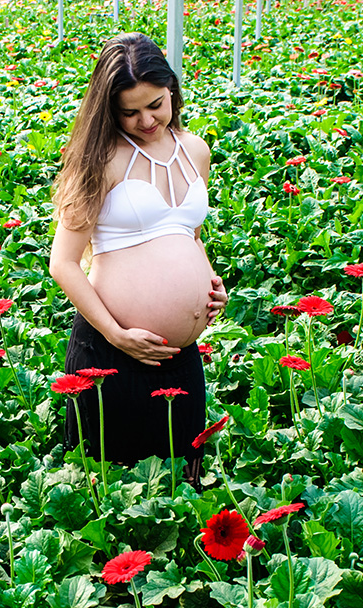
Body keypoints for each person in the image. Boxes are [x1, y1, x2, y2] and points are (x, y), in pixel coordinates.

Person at [49, 33, 227, 488]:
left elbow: (188, 234)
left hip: (179, 355)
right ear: (108, 109)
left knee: (183, 483)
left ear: (173, 90)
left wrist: (209, 280)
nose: (146, 119)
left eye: (156, 104)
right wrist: (118, 334)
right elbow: (64, 263)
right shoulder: (99, 159)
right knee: (112, 488)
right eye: (130, 111)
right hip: (112, 353)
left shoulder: (195, 150)